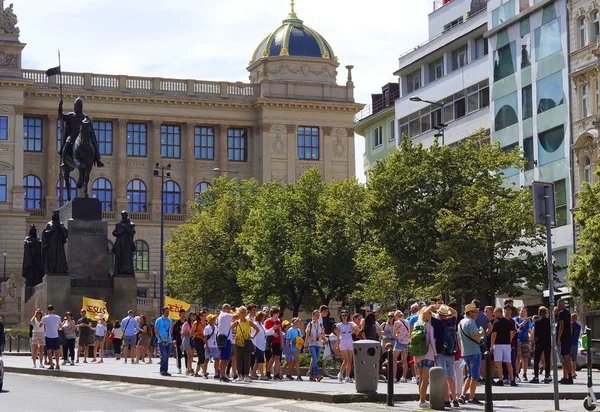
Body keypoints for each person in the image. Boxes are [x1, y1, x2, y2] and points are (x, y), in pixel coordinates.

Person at [59, 97, 104, 168]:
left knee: (93, 143)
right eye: (76, 105)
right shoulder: (71, 115)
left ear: (81, 107)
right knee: (67, 143)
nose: (77, 107)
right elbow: (61, 116)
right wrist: (60, 106)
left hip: (83, 136)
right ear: (74, 106)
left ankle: (98, 159)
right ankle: (63, 161)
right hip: (73, 136)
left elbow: (88, 124)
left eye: (78, 106)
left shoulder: (85, 117)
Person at [457, 302, 485, 405]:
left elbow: (459, 338)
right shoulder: (471, 322)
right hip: (474, 351)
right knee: (474, 377)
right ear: (471, 312)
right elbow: (474, 336)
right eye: (476, 312)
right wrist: (482, 333)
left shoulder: (461, 322)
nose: (477, 314)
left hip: (466, 352)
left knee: (469, 375)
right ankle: (472, 397)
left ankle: (463, 395)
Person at [435, 305, 459, 408]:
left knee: (444, 377)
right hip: (450, 352)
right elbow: (455, 313)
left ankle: (446, 399)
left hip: (441, 352)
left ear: (439, 314)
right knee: (450, 376)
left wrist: (434, 306)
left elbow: (426, 314)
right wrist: (445, 305)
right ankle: (455, 399)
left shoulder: (437, 323)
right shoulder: (451, 321)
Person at [413, 306, 436, 409]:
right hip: (427, 353)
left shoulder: (416, 324)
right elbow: (431, 341)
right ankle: (422, 401)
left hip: (417, 354)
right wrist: (435, 354)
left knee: (421, 377)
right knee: (425, 378)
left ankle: (421, 399)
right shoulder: (428, 325)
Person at [231, 306, 260, 383]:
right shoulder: (236, 322)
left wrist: (252, 336)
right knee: (239, 359)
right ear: (238, 314)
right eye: (241, 312)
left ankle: (246, 375)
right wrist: (233, 337)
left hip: (247, 342)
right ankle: (240, 375)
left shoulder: (249, 322)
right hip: (238, 343)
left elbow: (257, 329)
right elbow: (229, 329)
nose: (243, 314)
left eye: (244, 312)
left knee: (247, 359)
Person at [491, 306, 517, 386]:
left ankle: (500, 379)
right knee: (508, 362)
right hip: (507, 344)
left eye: (495, 312)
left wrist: (491, 345)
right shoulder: (508, 322)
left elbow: (494, 335)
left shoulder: (496, 322)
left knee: (498, 362)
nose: (493, 314)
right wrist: (509, 341)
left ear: (499, 312)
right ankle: (512, 380)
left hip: (498, 344)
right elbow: (512, 333)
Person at [335, 310, 357, 383]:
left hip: (350, 341)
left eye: (346, 315)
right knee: (346, 359)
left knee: (350, 360)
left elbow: (356, 329)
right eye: (343, 316)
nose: (344, 317)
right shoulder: (339, 325)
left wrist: (354, 329)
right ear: (341, 317)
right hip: (343, 341)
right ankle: (340, 374)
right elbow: (338, 336)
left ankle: (347, 376)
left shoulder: (350, 324)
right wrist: (337, 345)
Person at [531, 306, 552, 383]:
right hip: (547, 342)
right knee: (547, 359)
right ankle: (547, 375)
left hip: (539, 342)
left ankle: (536, 376)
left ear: (539, 313)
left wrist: (535, 342)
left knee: (536, 360)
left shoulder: (537, 322)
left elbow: (536, 334)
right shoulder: (549, 321)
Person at [112, 211, 136, 275]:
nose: (123, 216)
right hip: (120, 244)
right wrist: (120, 232)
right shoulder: (118, 225)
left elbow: (133, 232)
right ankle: (119, 271)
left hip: (127, 244)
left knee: (127, 258)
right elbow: (114, 233)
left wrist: (126, 229)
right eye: (122, 215)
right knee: (119, 257)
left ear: (127, 216)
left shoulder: (131, 224)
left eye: (124, 215)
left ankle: (128, 271)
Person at [305, 309, 326, 382]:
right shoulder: (310, 324)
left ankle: (312, 376)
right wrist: (305, 344)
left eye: (318, 315)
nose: (317, 316)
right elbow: (307, 335)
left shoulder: (320, 324)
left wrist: (322, 336)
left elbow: (323, 333)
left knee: (315, 360)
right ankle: (317, 374)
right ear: (313, 316)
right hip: (312, 343)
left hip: (319, 343)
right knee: (314, 358)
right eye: (316, 315)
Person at [556, 299, 573, 384]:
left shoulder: (561, 313)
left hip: (564, 338)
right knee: (566, 357)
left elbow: (561, 326)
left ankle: (569, 376)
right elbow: (570, 325)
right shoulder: (568, 313)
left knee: (566, 357)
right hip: (568, 337)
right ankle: (567, 376)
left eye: (558, 304)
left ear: (560, 304)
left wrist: (558, 338)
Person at [217, 304, 235, 382]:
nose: (230, 311)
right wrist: (238, 310)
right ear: (226, 309)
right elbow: (236, 316)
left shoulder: (221, 316)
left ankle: (223, 374)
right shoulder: (225, 315)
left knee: (225, 358)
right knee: (224, 358)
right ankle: (222, 375)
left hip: (224, 339)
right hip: (225, 339)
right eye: (229, 309)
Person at [41, 305, 62, 370]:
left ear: (48, 310)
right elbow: (60, 326)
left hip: (48, 335)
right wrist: (56, 328)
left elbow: (41, 325)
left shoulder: (45, 318)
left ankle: (51, 365)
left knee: (49, 350)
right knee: (57, 350)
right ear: (53, 310)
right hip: (55, 335)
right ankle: (57, 364)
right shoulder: (57, 317)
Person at [264, 306, 283, 380]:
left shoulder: (278, 321)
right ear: (274, 313)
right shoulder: (267, 321)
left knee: (278, 357)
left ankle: (276, 374)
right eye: (277, 312)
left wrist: (281, 341)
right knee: (272, 357)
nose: (278, 314)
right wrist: (272, 334)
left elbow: (280, 332)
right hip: (271, 341)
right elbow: (265, 332)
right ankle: (268, 372)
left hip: (277, 341)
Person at [392, 310, 410, 383]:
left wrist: (397, 335)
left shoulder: (397, 322)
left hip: (399, 341)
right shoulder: (407, 322)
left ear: (396, 316)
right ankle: (404, 377)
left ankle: (394, 377)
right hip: (406, 342)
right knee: (405, 360)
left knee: (394, 359)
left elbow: (394, 334)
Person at [515, 307, 532, 382]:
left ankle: (524, 374)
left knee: (525, 358)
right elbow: (518, 326)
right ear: (519, 312)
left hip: (525, 340)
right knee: (517, 358)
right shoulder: (516, 319)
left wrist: (530, 337)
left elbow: (529, 330)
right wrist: (525, 321)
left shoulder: (528, 321)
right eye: (522, 311)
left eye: (524, 311)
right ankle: (516, 373)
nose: (523, 312)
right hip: (518, 340)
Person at [155, 306, 173, 376]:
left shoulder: (170, 320)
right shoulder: (159, 320)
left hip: (169, 340)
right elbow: (156, 330)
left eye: (168, 312)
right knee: (164, 355)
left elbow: (170, 330)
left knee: (167, 356)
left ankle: (165, 370)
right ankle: (162, 370)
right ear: (163, 312)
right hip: (161, 340)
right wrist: (158, 337)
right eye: (166, 311)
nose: (167, 313)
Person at [171, 308, 188, 374]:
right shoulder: (177, 323)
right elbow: (173, 332)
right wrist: (174, 339)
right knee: (179, 354)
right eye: (182, 314)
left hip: (186, 340)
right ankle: (179, 368)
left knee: (187, 355)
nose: (183, 315)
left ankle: (187, 368)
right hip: (179, 341)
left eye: (184, 313)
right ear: (179, 315)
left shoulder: (187, 323)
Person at [204, 314, 219, 378]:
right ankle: (204, 372)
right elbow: (205, 338)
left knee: (216, 359)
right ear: (210, 320)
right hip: (209, 345)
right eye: (213, 319)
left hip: (215, 345)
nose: (214, 320)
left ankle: (216, 373)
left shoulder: (215, 327)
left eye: (214, 319)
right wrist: (207, 347)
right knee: (207, 359)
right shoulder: (207, 328)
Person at [192, 311, 207, 377]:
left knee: (201, 356)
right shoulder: (196, 323)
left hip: (203, 340)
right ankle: (204, 371)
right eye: (203, 315)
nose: (205, 317)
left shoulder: (205, 323)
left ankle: (196, 373)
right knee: (201, 356)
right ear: (200, 316)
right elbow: (191, 333)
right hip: (197, 340)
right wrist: (200, 332)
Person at [571, 313, 581, 379]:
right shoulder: (579, 326)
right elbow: (578, 334)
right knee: (574, 360)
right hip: (575, 344)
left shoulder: (570, 325)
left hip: (570, 344)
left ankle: (570, 372)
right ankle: (573, 372)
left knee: (568, 359)